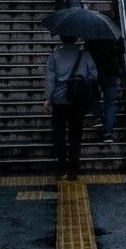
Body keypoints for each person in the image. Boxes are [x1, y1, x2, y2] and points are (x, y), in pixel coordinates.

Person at [45, 36, 98, 180]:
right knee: (76, 136)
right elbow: (94, 75)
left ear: (61, 39)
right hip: (78, 101)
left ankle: (61, 167)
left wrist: (48, 99)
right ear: (75, 39)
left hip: (59, 101)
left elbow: (50, 80)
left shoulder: (54, 56)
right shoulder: (85, 55)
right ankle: (73, 170)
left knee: (59, 135)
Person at [86, 37, 123, 143]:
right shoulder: (115, 36)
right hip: (111, 73)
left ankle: (98, 115)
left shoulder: (91, 36)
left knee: (93, 94)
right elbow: (121, 52)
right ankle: (108, 133)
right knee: (110, 103)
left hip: (95, 71)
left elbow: (87, 52)